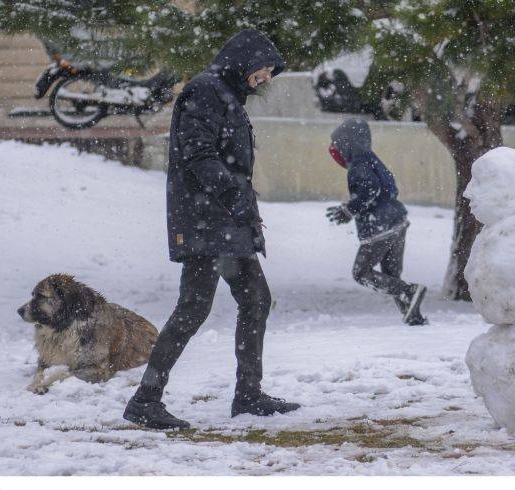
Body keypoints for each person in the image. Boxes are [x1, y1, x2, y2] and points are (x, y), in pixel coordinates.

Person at [123, 29, 300, 430]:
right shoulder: (206, 91)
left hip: (224, 222)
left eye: (270, 72)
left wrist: (243, 206)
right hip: (206, 221)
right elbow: (198, 154)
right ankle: (145, 399)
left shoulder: (227, 95)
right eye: (264, 69)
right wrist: (234, 199)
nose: (266, 78)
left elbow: (227, 161)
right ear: (245, 59)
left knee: (256, 299)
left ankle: (249, 394)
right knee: (194, 307)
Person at [326, 118, 427, 326]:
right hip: (398, 222)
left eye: (337, 144)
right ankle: (413, 316)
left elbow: (371, 189)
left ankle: (410, 291)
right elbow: (387, 187)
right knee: (391, 274)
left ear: (348, 143)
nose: (335, 150)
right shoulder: (371, 159)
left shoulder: (358, 165)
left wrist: (349, 210)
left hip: (380, 226)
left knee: (361, 272)